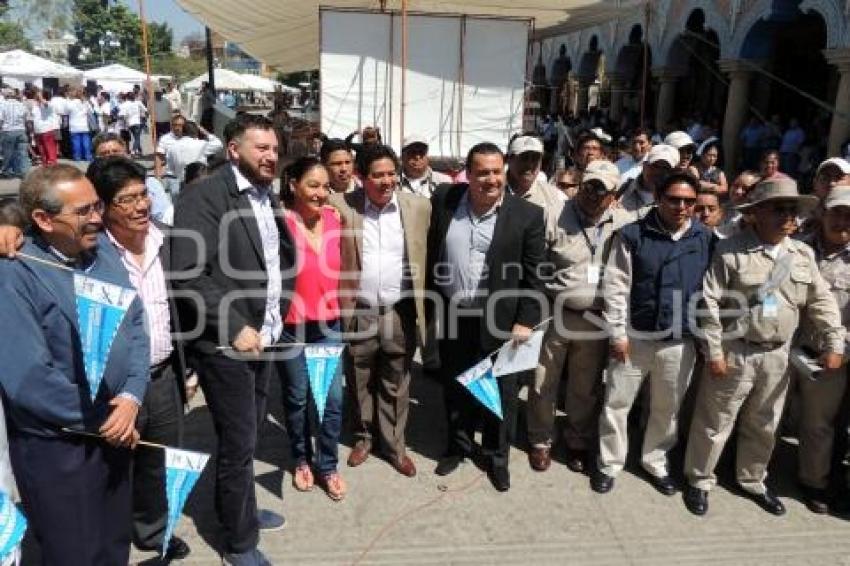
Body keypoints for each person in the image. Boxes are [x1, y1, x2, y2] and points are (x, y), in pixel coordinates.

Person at [0, 165, 148, 565]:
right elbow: (29, 379)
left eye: (97, 206)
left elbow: (135, 326)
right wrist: (104, 420)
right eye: (83, 211)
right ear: (43, 220)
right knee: (75, 554)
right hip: (60, 449)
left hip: (117, 431)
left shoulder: (101, 254)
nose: (98, 218)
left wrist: (132, 396)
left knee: (114, 546)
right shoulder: (15, 273)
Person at [171, 114, 293, 565]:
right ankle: (239, 542)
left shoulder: (266, 194)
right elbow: (186, 272)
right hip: (228, 346)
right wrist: (233, 325)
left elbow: (272, 257)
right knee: (239, 445)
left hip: (266, 337)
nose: (271, 155)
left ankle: (240, 510)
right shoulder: (203, 196)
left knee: (251, 434)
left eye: (275, 148)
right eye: (261, 147)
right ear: (233, 149)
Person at [683, 178, 845, 517]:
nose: (787, 217)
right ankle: (699, 479)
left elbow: (821, 301)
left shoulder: (802, 255)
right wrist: (713, 351)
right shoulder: (730, 250)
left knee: (765, 423)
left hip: (778, 354)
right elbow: (709, 304)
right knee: (716, 421)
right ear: (756, 213)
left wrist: (834, 341)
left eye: (792, 211)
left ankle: (752, 478)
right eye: (778, 209)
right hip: (735, 350)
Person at [427, 142, 546, 492]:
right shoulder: (446, 200)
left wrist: (526, 319)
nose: (490, 179)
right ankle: (458, 446)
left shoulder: (527, 215)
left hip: (501, 320)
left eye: (496, 171)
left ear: (504, 170)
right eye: (482, 172)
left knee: (500, 393)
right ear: (468, 172)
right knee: (456, 385)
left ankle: (496, 457)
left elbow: (535, 275)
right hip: (453, 314)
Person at [593, 172, 715, 496]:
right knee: (617, 402)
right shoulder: (632, 235)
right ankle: (609, 463)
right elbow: (616, 286)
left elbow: (712, 292)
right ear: (659, 197)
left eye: (689, 201)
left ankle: (655, 462)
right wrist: (617, 333)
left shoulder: (705, 239)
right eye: (674, 199)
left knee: (667, 407)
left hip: (679, 340)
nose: (681, 206)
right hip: (634, 336)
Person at [329, 144, 430, 478]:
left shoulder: (417, 207)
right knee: (359, 379)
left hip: (400, 312)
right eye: (378, 175)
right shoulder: (344, 206)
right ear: (362, 177)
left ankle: (394, 444)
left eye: (391, 174)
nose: (386, 181)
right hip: (359, 311)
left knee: (396, 381)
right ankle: (363, 437)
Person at [528, 159, 632, 473]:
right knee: (542, 382)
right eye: (588, 186)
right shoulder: (554, 215)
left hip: (597, 320)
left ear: (614, 194)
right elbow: (536, 264)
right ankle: (540, 440)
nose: (592, 193)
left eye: (601, 189)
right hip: (555, 313)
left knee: (584, 387)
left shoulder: (625, 223)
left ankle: (577, 440)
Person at [277, 157, 347, 501]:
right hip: (290, 328)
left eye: (325, 186)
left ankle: (328, 464)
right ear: (293, 185)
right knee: (297, 398)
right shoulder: (279, 223)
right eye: (313, 185)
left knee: (332, 401)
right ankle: (301, 458)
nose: (321, 193)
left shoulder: (337, 219)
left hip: (329, 326)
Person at [789, 185, 850, 514]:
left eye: (849, 215)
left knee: (818, 426)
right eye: (837, 211)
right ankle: (754, 470)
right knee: (769, 416)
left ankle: (814, 483)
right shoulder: (797, 249)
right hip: (785, 348)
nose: (842, 220)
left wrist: (838, 348)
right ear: (822, 214)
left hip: (830, 357)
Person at [93, 132, 172, 224]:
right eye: (104, 154)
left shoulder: (150, 183)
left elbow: (163, 217)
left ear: (126, 154)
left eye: (115, 151)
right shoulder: (90, 188)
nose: (111, 156)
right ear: (95, 158)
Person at [617, 144, 679, 220]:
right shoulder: (622, 187)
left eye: (665, 168)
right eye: (655, 165)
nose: (658, 172)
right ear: (644, 165)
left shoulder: (676, 204)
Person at [165, 120, 223, 186]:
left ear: (182, 132)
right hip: (200, 182)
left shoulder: (172, 147)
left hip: (182, 184)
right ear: (196, 132)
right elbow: (219, 145)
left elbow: (170, 170)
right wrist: (205, 132)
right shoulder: (201, 144)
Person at [0, 89, 31, 177]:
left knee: (8, 152)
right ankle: (23, 171)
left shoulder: (2, 105)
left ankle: (7, 171)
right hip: (21, 130)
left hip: (8, 130)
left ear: (6, 96)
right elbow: (27, 119)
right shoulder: (21, 105)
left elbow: (1, 120)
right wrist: (29, 131)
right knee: (22, 152)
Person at [155, 114, 187, 197]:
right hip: (172, 176)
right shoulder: (165, 139)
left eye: (180, 125)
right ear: (171, 125)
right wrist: (158, 176)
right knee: (176, 201)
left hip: (187, 176)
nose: (177, 127)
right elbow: (159, 156)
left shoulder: (189, 138)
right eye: (175, 125)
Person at [27, 88, 58, 166]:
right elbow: (33, 117)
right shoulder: (36, 105)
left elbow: (46, 105)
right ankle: (45, 166)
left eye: (40, 94)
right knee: (42, 152)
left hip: (47, 130)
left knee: (50, 151)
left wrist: (40, 98)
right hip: (38, 131)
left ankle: (52, 165)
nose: (37, 96)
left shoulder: (50, 104)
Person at [66, 87, 94, 162]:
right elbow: (91, 111)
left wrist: (69, 99)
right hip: (84, 125)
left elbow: (65, 111)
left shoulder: (71, 103)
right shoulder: (86, 102)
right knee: (86, 142)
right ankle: (88, 156)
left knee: (76, 142)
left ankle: (77, 157)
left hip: (74, 126)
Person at [120, 92, 147, 157]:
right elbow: (145, 110)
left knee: (136, 137)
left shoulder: (125, 104)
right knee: (137, 138)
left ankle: (140, 151)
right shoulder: (138, 102)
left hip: (129, 123)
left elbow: (122, 115)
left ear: (127, 97)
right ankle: (133, 151)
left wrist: (125, 123)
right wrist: (145, 117)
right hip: (137, 122)